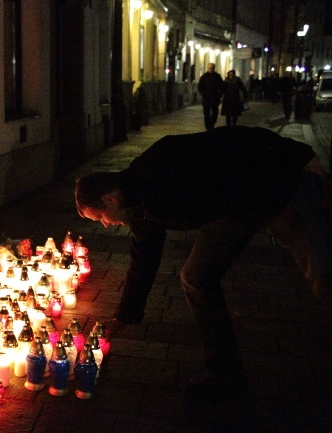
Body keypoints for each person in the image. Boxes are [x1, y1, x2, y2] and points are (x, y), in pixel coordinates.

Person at [75, 126, 331, 400]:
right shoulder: (140, 213)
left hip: (276, 188)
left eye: (100, 217)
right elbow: (143, 261)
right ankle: (224, 373)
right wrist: (125, 316)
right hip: (230, 212)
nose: (105, 224)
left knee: (322, 272)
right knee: (196, 277)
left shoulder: (159, 164)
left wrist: (301, 154)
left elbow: (234, 137)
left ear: (109, 198)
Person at [197, 63, 224, 130]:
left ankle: (212, 123)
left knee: (215, 112)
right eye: (209, 68)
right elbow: (200, 87)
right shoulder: (204, 76)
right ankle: (207, 127)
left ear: (214, 68)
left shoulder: (217, 76)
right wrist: (203, 94)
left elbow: (222, 86)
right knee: (206, 113)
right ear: (207, 68)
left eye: (212, 68)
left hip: (215, 98)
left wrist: (219, 95)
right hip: (206, 98)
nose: (210, 69)